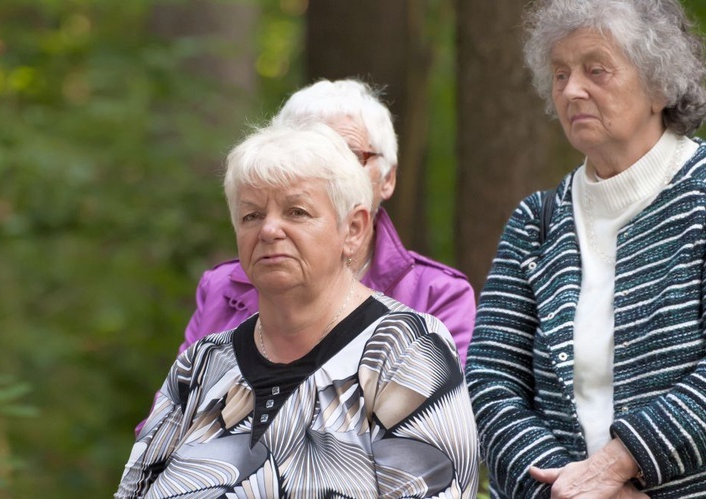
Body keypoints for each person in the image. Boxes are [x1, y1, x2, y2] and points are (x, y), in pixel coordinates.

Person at [115, 122, 480, 498]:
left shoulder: (406, 351)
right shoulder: (202, 364)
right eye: (251, 216)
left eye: (296, 212)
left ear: (353, 229)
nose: (270, 230)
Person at [465, 0, 706, 497]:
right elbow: (491, 380)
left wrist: (621, 462)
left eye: (596, 69)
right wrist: (564, 488)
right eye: (559, 74)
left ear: (660, 84)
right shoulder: (536, 221)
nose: (571, 90)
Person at [177, 79, 475, 366]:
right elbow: (173, 412)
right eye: (304, 155)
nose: (327, 171)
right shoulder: (220, 287)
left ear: (388, 178)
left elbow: (440, 411)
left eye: (347, 154)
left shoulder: (437, 294)